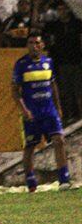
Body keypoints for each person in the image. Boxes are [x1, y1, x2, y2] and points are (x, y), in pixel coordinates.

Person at [12, 32, 72, 191]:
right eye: (31, 43)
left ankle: (64, 180)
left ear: (42, 45)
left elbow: (53, 86)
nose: (34, 46)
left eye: (37, 43)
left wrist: (58, 107)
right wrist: (24, 110)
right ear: (27, 45)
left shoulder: (48, 62)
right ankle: (31, 183)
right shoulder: (21, 64)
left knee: (59, 141)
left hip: (49, 111)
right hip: (32, 112)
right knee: (30, 146)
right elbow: (15, 91)